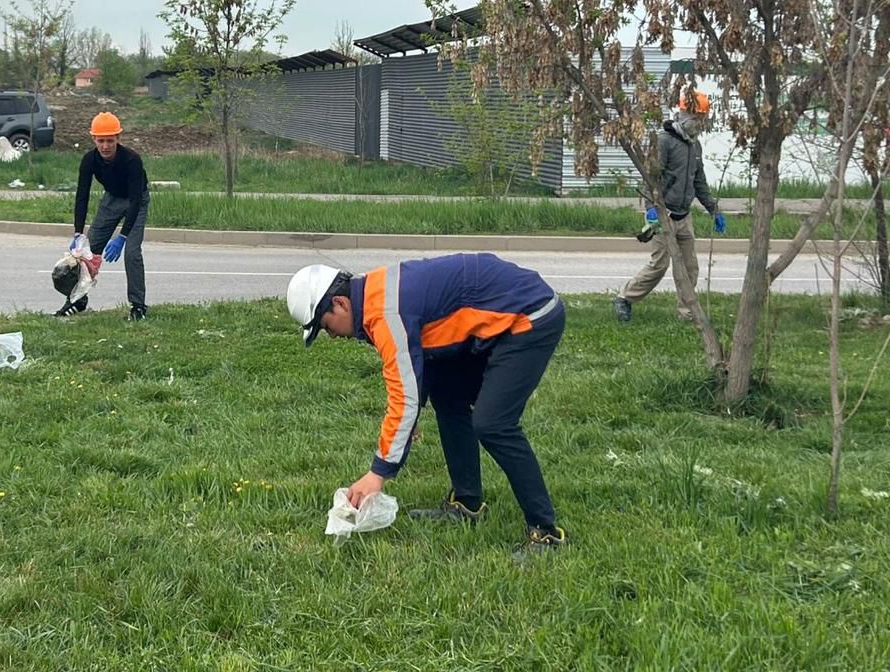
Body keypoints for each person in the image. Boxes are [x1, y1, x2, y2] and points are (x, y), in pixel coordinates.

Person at [287, 253, 568, 560]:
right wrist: (414, 410)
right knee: (448, 395)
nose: (333, 335)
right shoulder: (373, 296)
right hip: (494, 320)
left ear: (340, 303)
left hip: (530, 317)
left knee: (493, 423)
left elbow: (403, 396)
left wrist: (377, 474)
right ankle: (466, 503)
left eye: (326, 326)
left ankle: (546, 532)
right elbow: (420, 358)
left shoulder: (384, 313)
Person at [614, 90, 725, 323]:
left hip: (684, 217)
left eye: (702, 119)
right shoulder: (664, 142)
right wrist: (651, 207)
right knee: (659, 265)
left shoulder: (695, 147)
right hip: (663, 215)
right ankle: (625, 298)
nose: (699, 124)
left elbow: (699, 181)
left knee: (689, 268)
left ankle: (687, 313)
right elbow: (650, 177)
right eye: (697, 118)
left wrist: (714, 209)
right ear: (683, 114)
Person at [59, 111, 150, 320]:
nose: (106, 146)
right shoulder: (89, 160)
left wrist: (123, 237)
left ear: (118, 138)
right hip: (111, 200)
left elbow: (136, 200)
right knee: (85, 252)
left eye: (110, 140)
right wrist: (78, 233)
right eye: (101, 141)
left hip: (137, 200)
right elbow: (82, 195)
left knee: (132, 254)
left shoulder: (132, 160)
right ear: (94, 140)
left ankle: (138, 306)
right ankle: (77, 301)